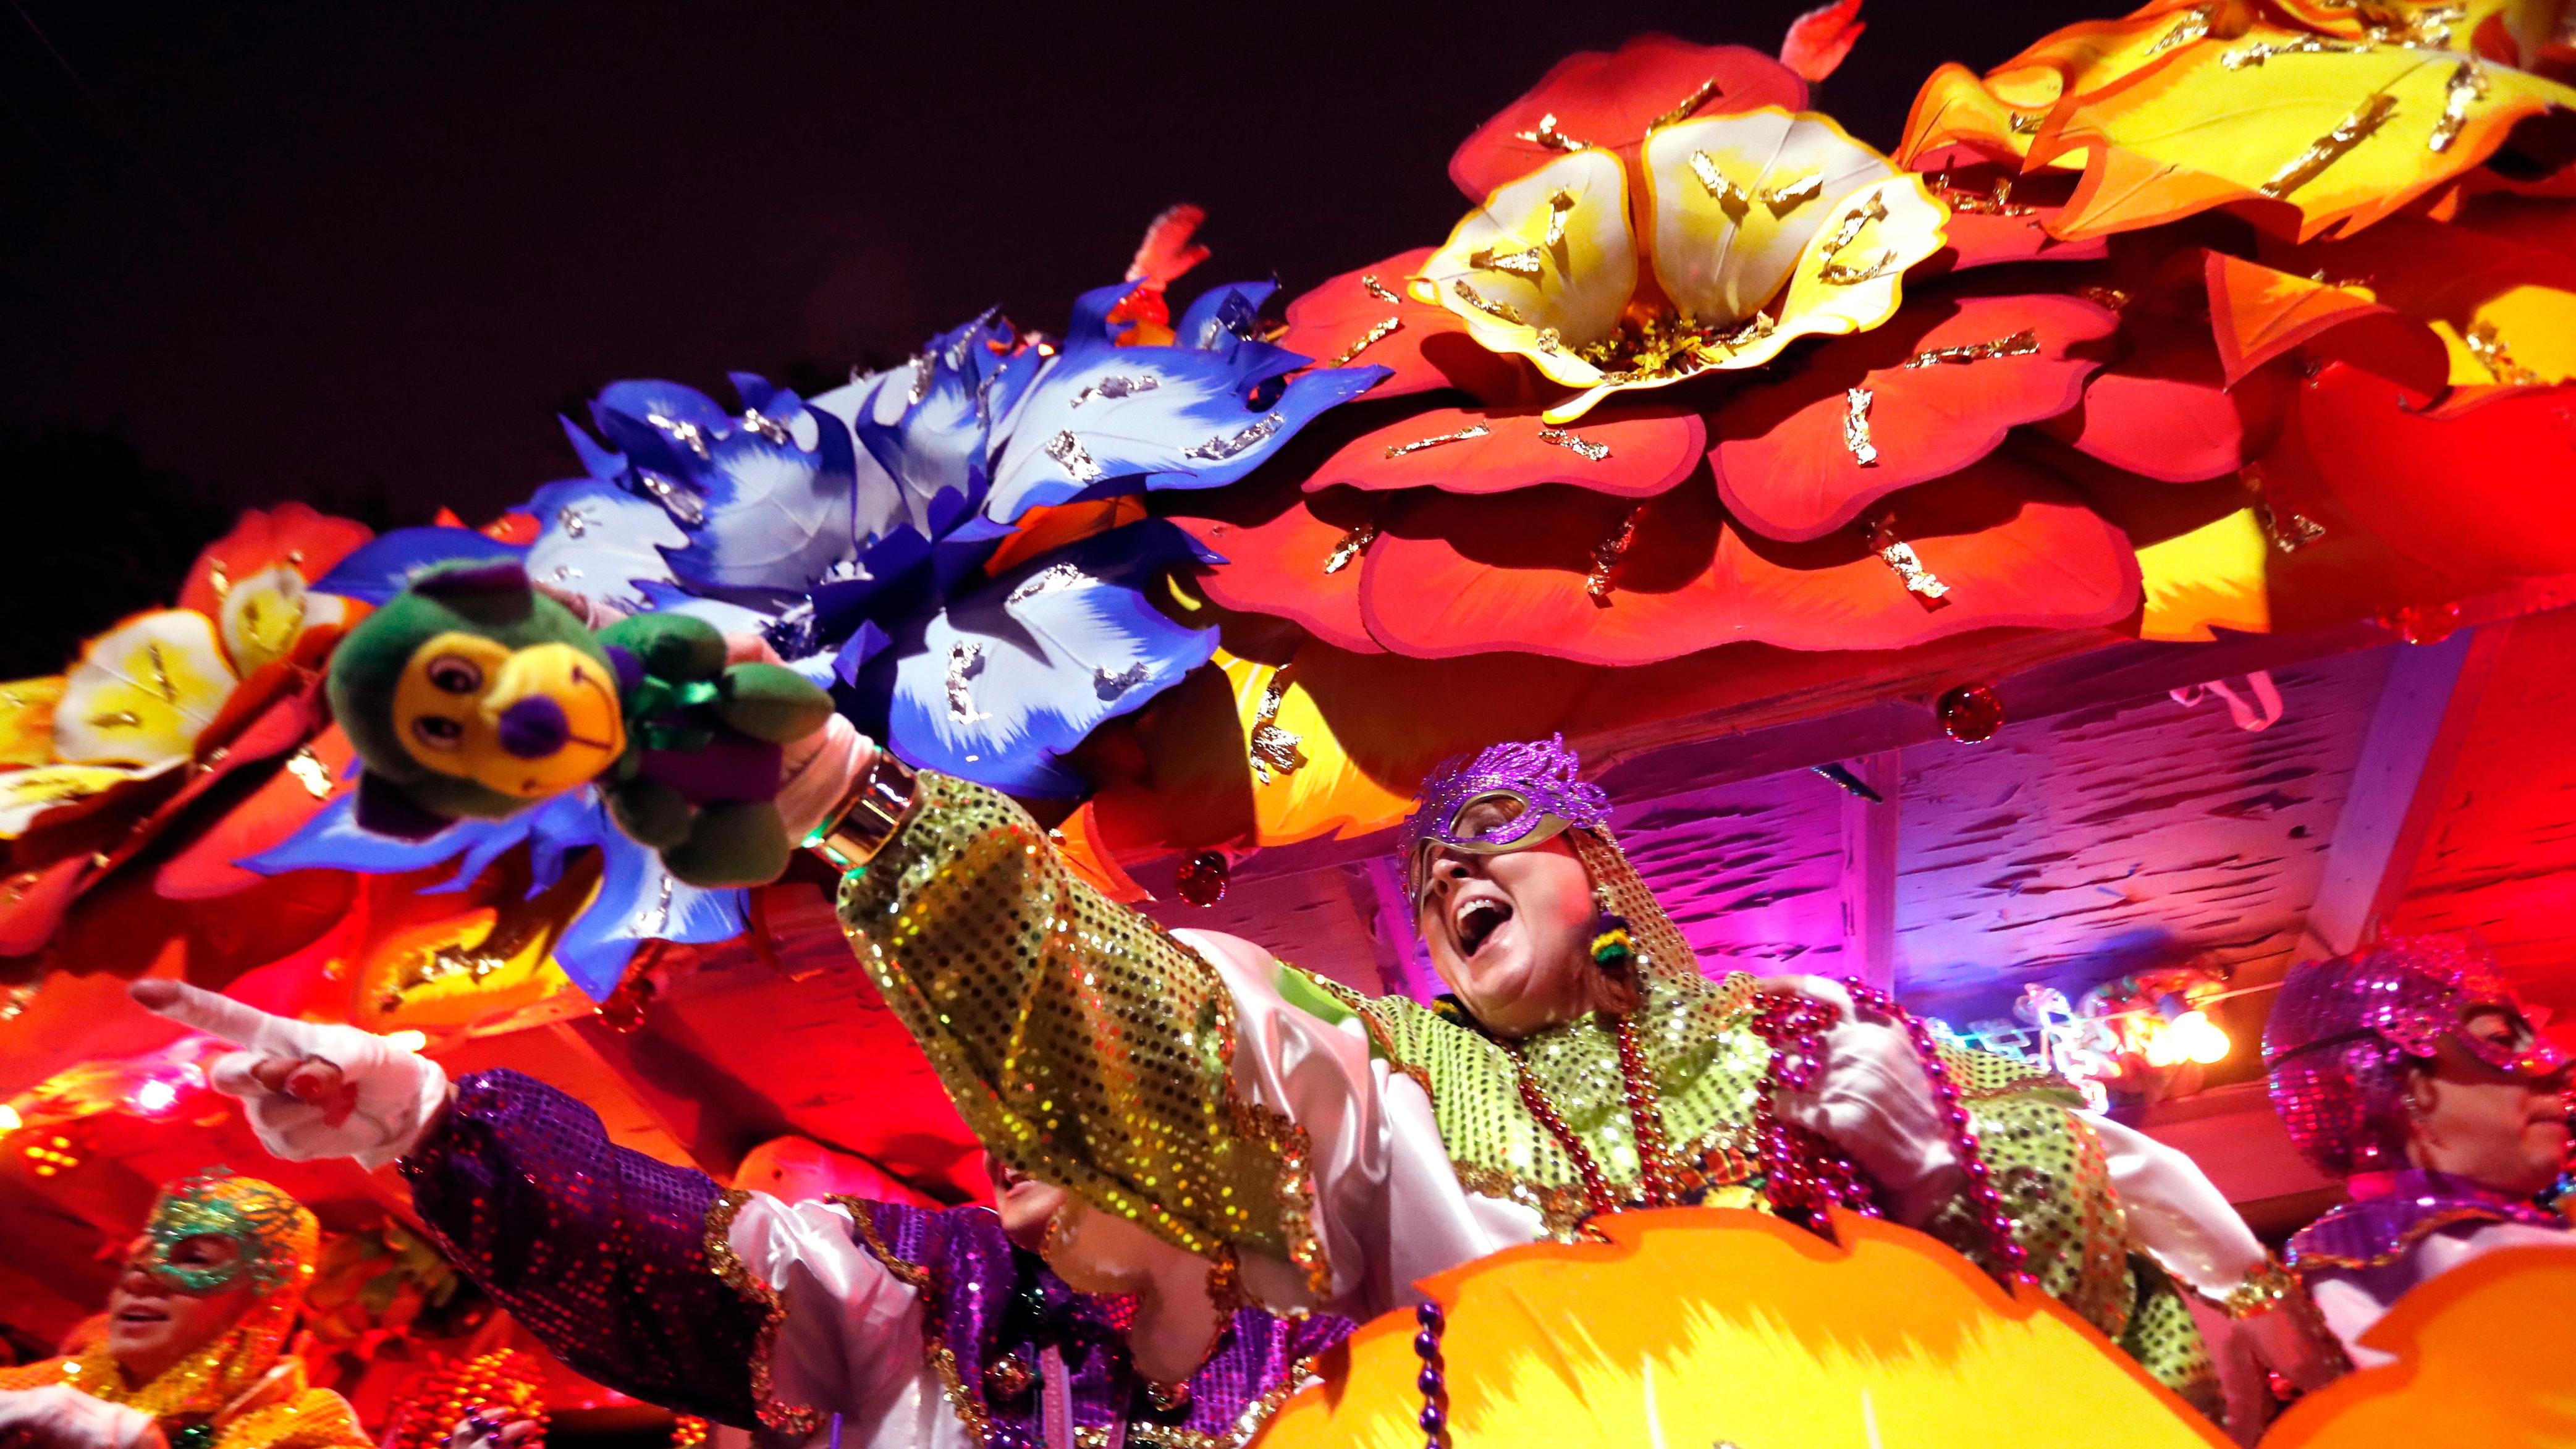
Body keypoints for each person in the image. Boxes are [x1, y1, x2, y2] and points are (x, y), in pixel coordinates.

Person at [145, 732, 2312, 1427]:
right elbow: (1156, 1029)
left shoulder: (1818, 1058)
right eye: (1425, 856)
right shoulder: (1369, 1096)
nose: (1449, 876)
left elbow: (2132, 1264)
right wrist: (875, 811)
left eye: (1501, 843)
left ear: (1617, 884)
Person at [114, 989, 1348, 1449]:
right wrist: (426, 1120)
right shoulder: (927, 1284)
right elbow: (680, 1251)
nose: (1007, 1117)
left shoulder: (1376, 1344)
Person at [2265, 934, 2575, 1368]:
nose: (2556, 1063)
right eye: (2501, 1039)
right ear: (2390, 1085)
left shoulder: (2326, 1276)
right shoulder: (2469, 1263)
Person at [0, 1171, 368, 1449]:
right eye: (140, 1257)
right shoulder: (67, 1380)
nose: (137, 1280)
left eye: (195, 1259)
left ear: (265, 1301)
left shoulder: (309, 1427)